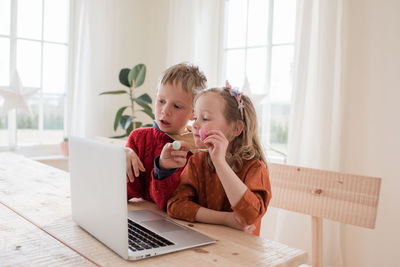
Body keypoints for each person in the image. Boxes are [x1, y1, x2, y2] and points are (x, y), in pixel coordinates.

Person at [167, 83, 271, 236]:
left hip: (241, 252)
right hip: (206, 245)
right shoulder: (197, 161)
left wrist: (220, 163)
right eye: (195, 117)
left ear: (236, 129)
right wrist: (225, 219)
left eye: (205, 118)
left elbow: (250, 217)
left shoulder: (255, 168)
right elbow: (175, 206)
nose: (194, 124)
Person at [125, 63, 207, 210]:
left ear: (194, 112)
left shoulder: (192, 151)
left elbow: (167, 204)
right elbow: (127, 192)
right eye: (161, 101)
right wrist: (118, 162)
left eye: (177, 106)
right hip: (139, 215)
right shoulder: (138, 138)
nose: (165, 111)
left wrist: (163, 169)